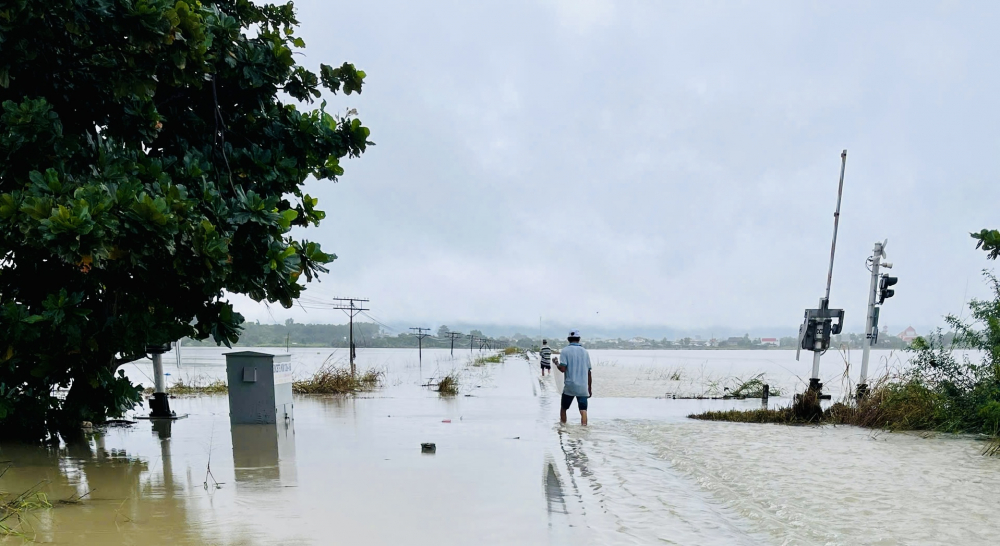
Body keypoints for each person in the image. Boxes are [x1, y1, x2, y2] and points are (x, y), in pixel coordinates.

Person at [556, 329, 592, 425]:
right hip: (583, 387)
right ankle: (584, 431)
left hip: (570, 386)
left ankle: (562, 428)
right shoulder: (585, 352)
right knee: (583, 410)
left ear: (568, 339)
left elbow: (563, 369)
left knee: (564, 408)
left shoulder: (565, 351)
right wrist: (589, 388)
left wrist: (556, 363)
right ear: (579, 339)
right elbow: (589, 372)